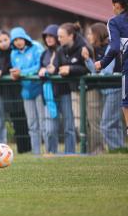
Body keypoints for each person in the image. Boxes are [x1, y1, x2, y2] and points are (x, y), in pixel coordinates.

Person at [84, 23, 125, 151]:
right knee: (114, 124)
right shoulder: (96, 50)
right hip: (108, 91)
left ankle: (116, 149)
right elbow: (96, 71)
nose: (88, 36)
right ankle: (121, 150)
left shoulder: (110, 49)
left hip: (115, 89)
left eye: (91, 33)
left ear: (98, 34)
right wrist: (87, 59)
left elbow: (105, 72)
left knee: (106, 125)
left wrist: (95, 68)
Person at [0, 30, 31, 153]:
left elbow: (9, 66)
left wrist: (1, 72)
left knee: (23, 119)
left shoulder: (14, 52)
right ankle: (21, 149)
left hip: (18, 89)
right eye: (0, 41)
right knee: (15, 121)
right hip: (6, 92)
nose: (3, 43)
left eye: (5, 40)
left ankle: (27, 147)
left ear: (10, 39)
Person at [95, 0, 128, 135]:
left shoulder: (114, 22)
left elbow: (114, 48)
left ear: (118, 5)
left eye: (113, 5)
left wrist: (102, 63)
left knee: (126, 104)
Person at [10, 27, 44, 155]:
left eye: (20, 39)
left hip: (39, 89)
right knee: (32, 124)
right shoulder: (13, 53)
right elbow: (15, 69)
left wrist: (22, 73)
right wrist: (14, 74)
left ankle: (49, 151)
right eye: (15, 40)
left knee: (43, 122)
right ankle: (36, 153)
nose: (18, 42)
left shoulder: (36, 47)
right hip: (26, 92)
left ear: (25, 37)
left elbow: (40, 65)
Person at [56, 22, 90, 153]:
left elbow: (88, 68)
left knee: (92, 123)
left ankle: (96, 150)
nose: (58, 39)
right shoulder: (61, 50)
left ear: (71, 36)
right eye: (58, 37)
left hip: (89, 89)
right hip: (74, 90)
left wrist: (70, 69)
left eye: (61, 36)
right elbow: (58, 67)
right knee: (78, 123)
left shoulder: (83, 47)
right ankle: (84, 150)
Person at [38, 25, 61, 154]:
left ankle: (70, 152)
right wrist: (41, 70)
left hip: (63, 92)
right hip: (48, 94)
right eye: (46, 36)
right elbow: (40, 68)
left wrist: (55, 70)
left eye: (51, 35)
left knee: (68, 126)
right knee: (49, 128)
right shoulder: (44, 54)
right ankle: (50, 152)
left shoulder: (62, 51)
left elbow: (63, 66)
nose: (48, 38)